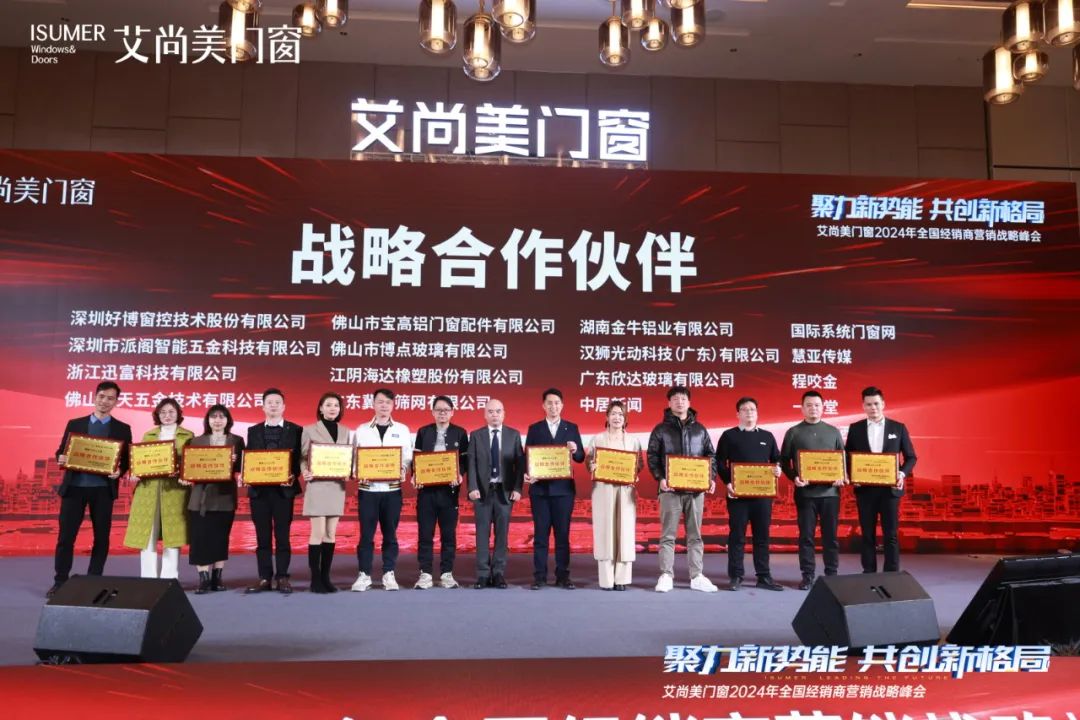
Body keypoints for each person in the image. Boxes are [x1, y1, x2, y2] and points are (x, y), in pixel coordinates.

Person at [50, 380, 133, 597]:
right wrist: (61, 457)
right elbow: (61, 451)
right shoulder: (75, 424)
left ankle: (94, 579)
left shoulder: (123, 429)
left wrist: (120, 471)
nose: (105, 401)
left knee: (101, 537)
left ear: (116, 402)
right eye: (102, 396)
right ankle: (60, 581)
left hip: (103, 490)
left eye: (110, 398)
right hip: (74, 488)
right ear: (95, 397)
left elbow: (127, 461)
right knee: (66, 537)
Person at [646, 385, 719, 593]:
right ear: (669, 403)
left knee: (695, 536)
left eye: (683, 398)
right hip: (670, 490)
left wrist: (710, 477)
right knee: (668, 535)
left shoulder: (700, 430)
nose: (680, 402)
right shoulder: (660, 430)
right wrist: (660, 478)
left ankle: (697, 576)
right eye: (676, 399)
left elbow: (711, 455)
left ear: (689, 403)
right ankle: (666, 575)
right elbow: (652, 456)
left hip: (695, 492)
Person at [845, 386, 917, 574]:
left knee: (891, 535)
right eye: (869, 404)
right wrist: (853, 475)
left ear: (883, 404)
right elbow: (847, 457)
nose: (873, 408)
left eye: (876, 403)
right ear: (863, 406)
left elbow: (911, 457)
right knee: (867, 535)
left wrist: (901, 474)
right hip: (865, 490)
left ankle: (891, 574)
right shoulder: (855, 428)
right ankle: (868, 573)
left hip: (890, 491)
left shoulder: (898, 428)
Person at [716, 396, 784, 592]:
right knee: (737, 536)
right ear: (738, 414)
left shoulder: (767, 436)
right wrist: (728, 482)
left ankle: (764, 576)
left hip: (762, 496)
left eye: (752, 409)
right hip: (737, 495)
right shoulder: (729, 436)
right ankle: (736, 576)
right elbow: (719, 462)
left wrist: (778, 469)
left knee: (762, 536)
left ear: (757, 413)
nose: (749, 412)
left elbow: (777, 459)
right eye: (744, 409)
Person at [780, 390, 846, 590]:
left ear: (823, 408)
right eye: (809, 405)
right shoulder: (793, 432)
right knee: (806, 537)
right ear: (802, 408)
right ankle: (807, 576)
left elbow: (841, 459)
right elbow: (784, 461)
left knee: (830, 537)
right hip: (805, 494)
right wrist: (794, 477)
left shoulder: (833, 432)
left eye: (817, 405)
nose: (813, 408)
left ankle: (832, 575)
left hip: (830, 494)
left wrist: (841, 476)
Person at [123, 397, 194, 579]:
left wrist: (183, 473)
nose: (167, 415)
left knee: (173, 535)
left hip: (175, 490)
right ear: (157, 415)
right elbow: (141, 460)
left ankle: (170, 578)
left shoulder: (188, 436)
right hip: (148, 489)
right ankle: (148, 578)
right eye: (163, 412)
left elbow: (191, 463)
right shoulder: (149, 435)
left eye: (171, 412)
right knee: (148, 534)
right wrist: (136, 472)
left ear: (178, 414)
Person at [351, 388, 412, 592]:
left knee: (390, 535)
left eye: (388, 402)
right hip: (368, 490)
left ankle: (388, 573)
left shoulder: (402, 429)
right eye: (380, 401)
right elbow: (354, 458)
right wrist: (358, 472)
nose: (384, 405)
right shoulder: (362, 430)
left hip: (392, 491)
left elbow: (407, 457)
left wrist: (402, 468)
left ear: (393, 405)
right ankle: (364, 574)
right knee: (366, 536)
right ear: (373, 404)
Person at [524, 388, 586, 590]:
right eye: (549, 403)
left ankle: (563, 576)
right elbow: (527, 457)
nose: (553, 406)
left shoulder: (571, 428)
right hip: (540, 492)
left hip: (563, 491)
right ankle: (539, 577)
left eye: (557, 403)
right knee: (540, 536)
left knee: (562, 536)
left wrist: (575, 449)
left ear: (562, 405)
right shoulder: (535, 429)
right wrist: (527, 474)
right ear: (543, 405)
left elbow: (580, 457)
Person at [243, 388, 303, 594]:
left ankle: (283, 577)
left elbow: (299, 459)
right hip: (259, 492)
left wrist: (293, 475)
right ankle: (264, 578)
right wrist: (246, 473)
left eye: (277, 402)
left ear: (284, 406)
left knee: (283, 536)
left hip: (283, 492)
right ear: (263, 407)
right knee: (262, 537)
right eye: (270, 402)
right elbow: (250, 458)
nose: (274, 405)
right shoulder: (253, 430)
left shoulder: (296, 430)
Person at [184, 404, 244, 594]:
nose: (217, 420)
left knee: (221, 537)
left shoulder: (237, 440)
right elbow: (188, 467)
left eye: (222, 416)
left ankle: (217, 578)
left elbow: (243, 468)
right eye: (214, 416)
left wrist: (235, 462)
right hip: (200, 496)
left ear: (228, 420)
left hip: (225, 496)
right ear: (208, 420)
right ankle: (203, 578)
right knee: (200, 538)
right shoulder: (195, 441)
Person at [412, 395, 469, 590]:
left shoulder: (460, 433)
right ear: (433, 412)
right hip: (426, 492)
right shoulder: (424, 432)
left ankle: (447, 573)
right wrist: (415, 475)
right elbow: (417, 458)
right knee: (425, 534)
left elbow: (464, 461)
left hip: (449, 492)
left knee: (448, 535)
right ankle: (425, 573)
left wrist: (460, 474)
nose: (442, 413)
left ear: (452, 412)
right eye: (438, 410)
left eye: (446, 410)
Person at [467, 399, 524, 589]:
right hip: (482, 492)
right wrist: (472, 487)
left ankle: (498, 573)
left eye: (498, 411)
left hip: (504, 492)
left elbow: (519, 465)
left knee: (502, 535)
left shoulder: (513, 435)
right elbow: (471, 464)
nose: (494, 415)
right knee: (482, 534)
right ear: (485, 414)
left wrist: (517, 489)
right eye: (490, 411)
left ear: (504, 414)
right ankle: (483, 574)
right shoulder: (476, 435)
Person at [586, 401, 642, 591]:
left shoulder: (633, 440)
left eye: (620, 414)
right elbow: (589, 461)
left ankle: (622, 579)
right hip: (603, 490)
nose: (617, 417)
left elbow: (639, 465)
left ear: (625, 418)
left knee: (624, 532)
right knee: (605, 531)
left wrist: (634, 473)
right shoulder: (597, 439)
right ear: (607, 417)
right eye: (613, 414)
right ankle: (606, 580)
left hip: (626, 491)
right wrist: (591, 466)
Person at [300, 392, 351, 593]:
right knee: (318, 533)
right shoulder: (309, 430)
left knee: (330, 534)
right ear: (320, 408)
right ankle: (315, 579)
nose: (332, 408)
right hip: (318, 486)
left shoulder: (345, 431)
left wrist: (349, 471)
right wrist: (305, 471)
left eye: (336, 405)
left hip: (337, 487)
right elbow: (303, 456)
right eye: (328, 405)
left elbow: (348, 457)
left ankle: (325, 577)